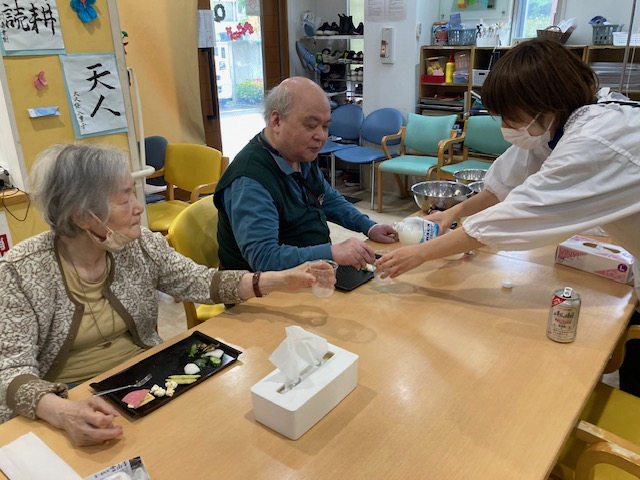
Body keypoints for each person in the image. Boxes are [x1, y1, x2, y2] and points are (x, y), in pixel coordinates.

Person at [0, 143, 332, 445]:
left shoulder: (140, 245)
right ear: (83, 216)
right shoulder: (20, 271)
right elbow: (9, 372)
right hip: (69, 403)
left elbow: (200, 282)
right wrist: (62, 412)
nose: (138, 207)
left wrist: (278, 279)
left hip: (141, 379)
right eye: (125, 198)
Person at [375, 38, 640, 394]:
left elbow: (518, 214)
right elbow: (502, 184)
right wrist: (451, 213)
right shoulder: (558, 126)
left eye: (509, 115)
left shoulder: (594, 140)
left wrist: (419, 254)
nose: (505, 125)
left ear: (544, 104)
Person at [213, 76, 397, 272]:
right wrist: (332, 253)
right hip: (267, 286)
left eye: (325, 126)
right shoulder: (250, 181)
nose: (321, 136)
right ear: (276, 121)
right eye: (310, 125)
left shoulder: (298, 155)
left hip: (310, 273)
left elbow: (327, 198)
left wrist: (369, 227)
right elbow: (265, 259)